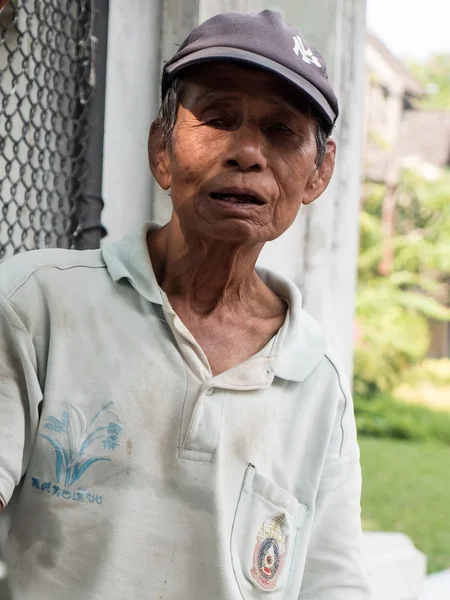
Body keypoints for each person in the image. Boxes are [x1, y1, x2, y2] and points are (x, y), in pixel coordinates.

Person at [0, 9, 371, 600]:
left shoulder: (316, 384)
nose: (248, 152)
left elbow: (333, 583)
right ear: (162, 149)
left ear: (318, 173)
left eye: (281, 132)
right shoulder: (35, 302)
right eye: (218, 119)